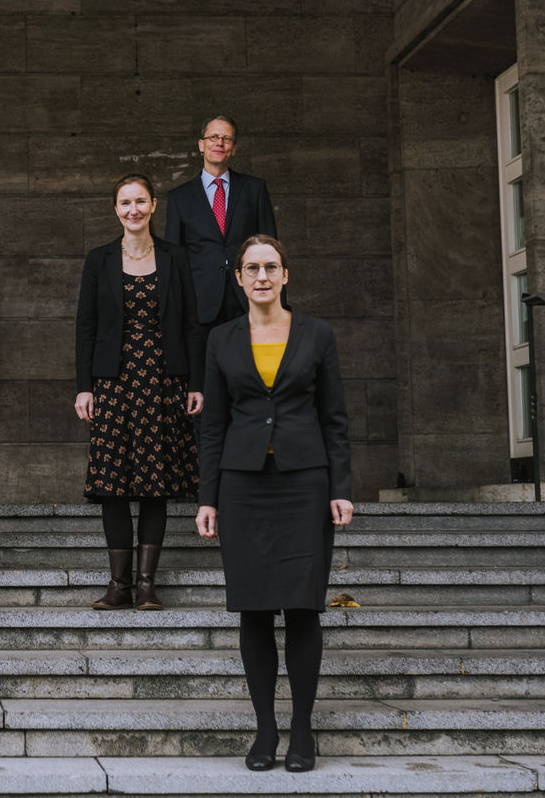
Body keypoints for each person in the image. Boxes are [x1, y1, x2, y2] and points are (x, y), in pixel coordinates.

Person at [195, 234, 354, 774]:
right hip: (242, 486)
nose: (261, 276)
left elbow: (334, 418)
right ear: (238, 278)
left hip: (304, 484)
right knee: (255, 608)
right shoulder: (220, 340)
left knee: (304, 606)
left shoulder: (318, 334)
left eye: (271, 267)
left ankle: (303, 730)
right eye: (251, 268)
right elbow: (213, 424)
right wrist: (207, 497)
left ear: (286, 274)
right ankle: (265, 728)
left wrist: (341, 487)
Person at [74, 173, 204, 611]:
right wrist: (84, 388)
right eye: (125, 203)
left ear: (153, 207)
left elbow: (190, 323)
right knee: (112, 484)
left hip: (164, 381)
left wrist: (196, 382)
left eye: (140, 202)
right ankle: (118, 586)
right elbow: (86, 328)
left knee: (154, 483)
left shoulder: (174, 257)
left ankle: (146, 586)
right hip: (112, 382)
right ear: (116, 209)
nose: (133, 209)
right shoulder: (99, 259)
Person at [165, 115, 277, 336]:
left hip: (248, 299)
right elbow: (173, 257)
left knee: (247, 370)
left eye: (226, 139)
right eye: (213, 137)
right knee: (204, 370)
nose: (219, 143)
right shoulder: (180, 197)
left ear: (234, 148)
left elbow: (271, 250)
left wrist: (275, 304)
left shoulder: (254, 189)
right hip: (199, 304)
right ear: (201, 144)